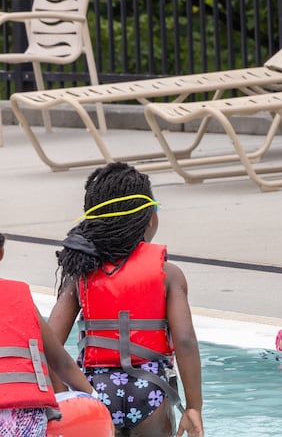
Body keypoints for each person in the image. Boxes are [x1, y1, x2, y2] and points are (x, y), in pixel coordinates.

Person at [47, 163, 204, 437]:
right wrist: (194, 407)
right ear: (149, 217)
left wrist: (62, 398)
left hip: (95, 391)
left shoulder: (81, 273)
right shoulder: (168, 274)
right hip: (151, 391)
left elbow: (47, 344)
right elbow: (186, 341)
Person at [0, 232, 98, 436]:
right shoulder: (20, 299)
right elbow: (61, 362)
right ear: (1, 254)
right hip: (25, 421)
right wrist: (96, 400)